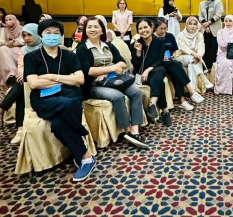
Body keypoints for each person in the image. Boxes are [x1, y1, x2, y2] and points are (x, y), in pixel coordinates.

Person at [23, 19, 96, 182]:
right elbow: (34, 83)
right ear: (40, 35)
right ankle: (82, 135)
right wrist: (66, 79)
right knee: (67, 104)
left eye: (56, 33)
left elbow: (80, 80)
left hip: (70, 94)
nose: (52, 36)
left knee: (58, 124)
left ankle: (86, 159)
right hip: (43, 99)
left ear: (61, 36)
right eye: (48, 33)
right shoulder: (31, 57)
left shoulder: (70, 55)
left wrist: (51, 77)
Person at [76, 16, 147, 148]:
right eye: (89, 27)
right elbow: (88, 70)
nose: (92, 29)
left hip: (114, 80)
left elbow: (122, 62)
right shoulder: (82, 48)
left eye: (96, 27)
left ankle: (135, 130)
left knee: (136, 91)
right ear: (85, 30)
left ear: (102, 30)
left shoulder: (108, 45)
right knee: (117, 96)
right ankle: (128, 131)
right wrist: (112, 68)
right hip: (94, 85)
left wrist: (106, 72)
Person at [0, 23, 42, 144]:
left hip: (41, 81)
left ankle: (0, 110)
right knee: (21, 90)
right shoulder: (24, 49)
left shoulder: (45, 48)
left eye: (30, 35)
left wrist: (26, 73)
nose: (26, 38)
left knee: (22, 84)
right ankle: (20, 129)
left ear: (37, 34)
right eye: (24, 35)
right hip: (26, 83)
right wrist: (21, 71)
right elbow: (21, 65)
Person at [154, 18, 204, 110]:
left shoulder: (170, 36)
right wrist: (161, 57)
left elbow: (174, 51)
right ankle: (190, 93)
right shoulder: (153, 38)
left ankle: (183, 100)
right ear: (155, 28)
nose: (163, 31)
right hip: (158, 64)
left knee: (176, 68)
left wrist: (170, 56)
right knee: (177, 65)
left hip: (170, 61)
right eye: (161, 29)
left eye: (165, 28)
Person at [130, 18, 172, 126]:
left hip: (155, 69)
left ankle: (152, 103)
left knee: (160, 70)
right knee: (160, 82)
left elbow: (160, 60)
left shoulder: (159, 41)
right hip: (142, 74)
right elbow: (136, 65)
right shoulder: (135, 44)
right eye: (140, 28)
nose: (143, 30)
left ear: (151, 28)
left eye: (145, 27)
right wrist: (138, 52)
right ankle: (165, 111)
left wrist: (148, 70)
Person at [175, 16, 213, 91]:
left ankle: (192, 91)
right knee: (191, 59)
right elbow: (183, 47)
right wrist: (193, 54)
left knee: (192, 64)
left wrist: (199, 56)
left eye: (195, 24)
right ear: (186, 25)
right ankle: (203, 78)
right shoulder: (180, 35)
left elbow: (201, 46)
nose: (192, 26)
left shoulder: (199, 35)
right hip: (181, 57)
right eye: (190, 24)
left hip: (195, 58)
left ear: (197, 26)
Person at [214, 15, 233, 95]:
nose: (228, 23)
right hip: (223, 54)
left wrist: (231, 44)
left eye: (230, 21)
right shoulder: (220, 32)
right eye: (226, 21)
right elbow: (221, 44)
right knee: (225, 64)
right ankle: (222, 89)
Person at [198, 0, 224, 71]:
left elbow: (218, 14)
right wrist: (205, 26)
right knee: (205, 49)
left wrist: (208, 23)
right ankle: (205, 67)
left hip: (215, 29)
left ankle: (213, 69)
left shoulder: (218, 2)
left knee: (214, 49)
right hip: (205, 29)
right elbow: (200, 16)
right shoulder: (202, 3)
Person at [0, 14, 24, 85]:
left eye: (10, 19)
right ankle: (12, 73)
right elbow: (0, 42)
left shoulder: (21, 29)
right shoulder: (5, 30)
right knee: (2, 49)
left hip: (19, 49)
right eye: (6, 20)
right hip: (8, 48)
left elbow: (24, 41)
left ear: (14, 20)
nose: (8, 21)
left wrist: (14, 44)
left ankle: (12, 74)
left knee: (3, 52)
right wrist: (7, 44)